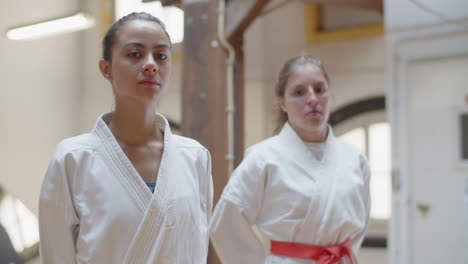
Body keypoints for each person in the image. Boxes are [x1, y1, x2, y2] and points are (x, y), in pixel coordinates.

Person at [39, 12, 213, 263]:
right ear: (106, 69)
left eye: (161, 55)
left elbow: (197, 249)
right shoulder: (72, 159)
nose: (151, 64)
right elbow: (57, 256)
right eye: (135, 54)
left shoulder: (194, 156)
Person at [209, 55, 370, 264]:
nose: (312, 99)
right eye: (299, 92)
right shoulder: (263, 158)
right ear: (282, 102)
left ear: (329, 94)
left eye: (319, 89)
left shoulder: (354, 158)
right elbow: (225, 224)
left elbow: (360, 223)